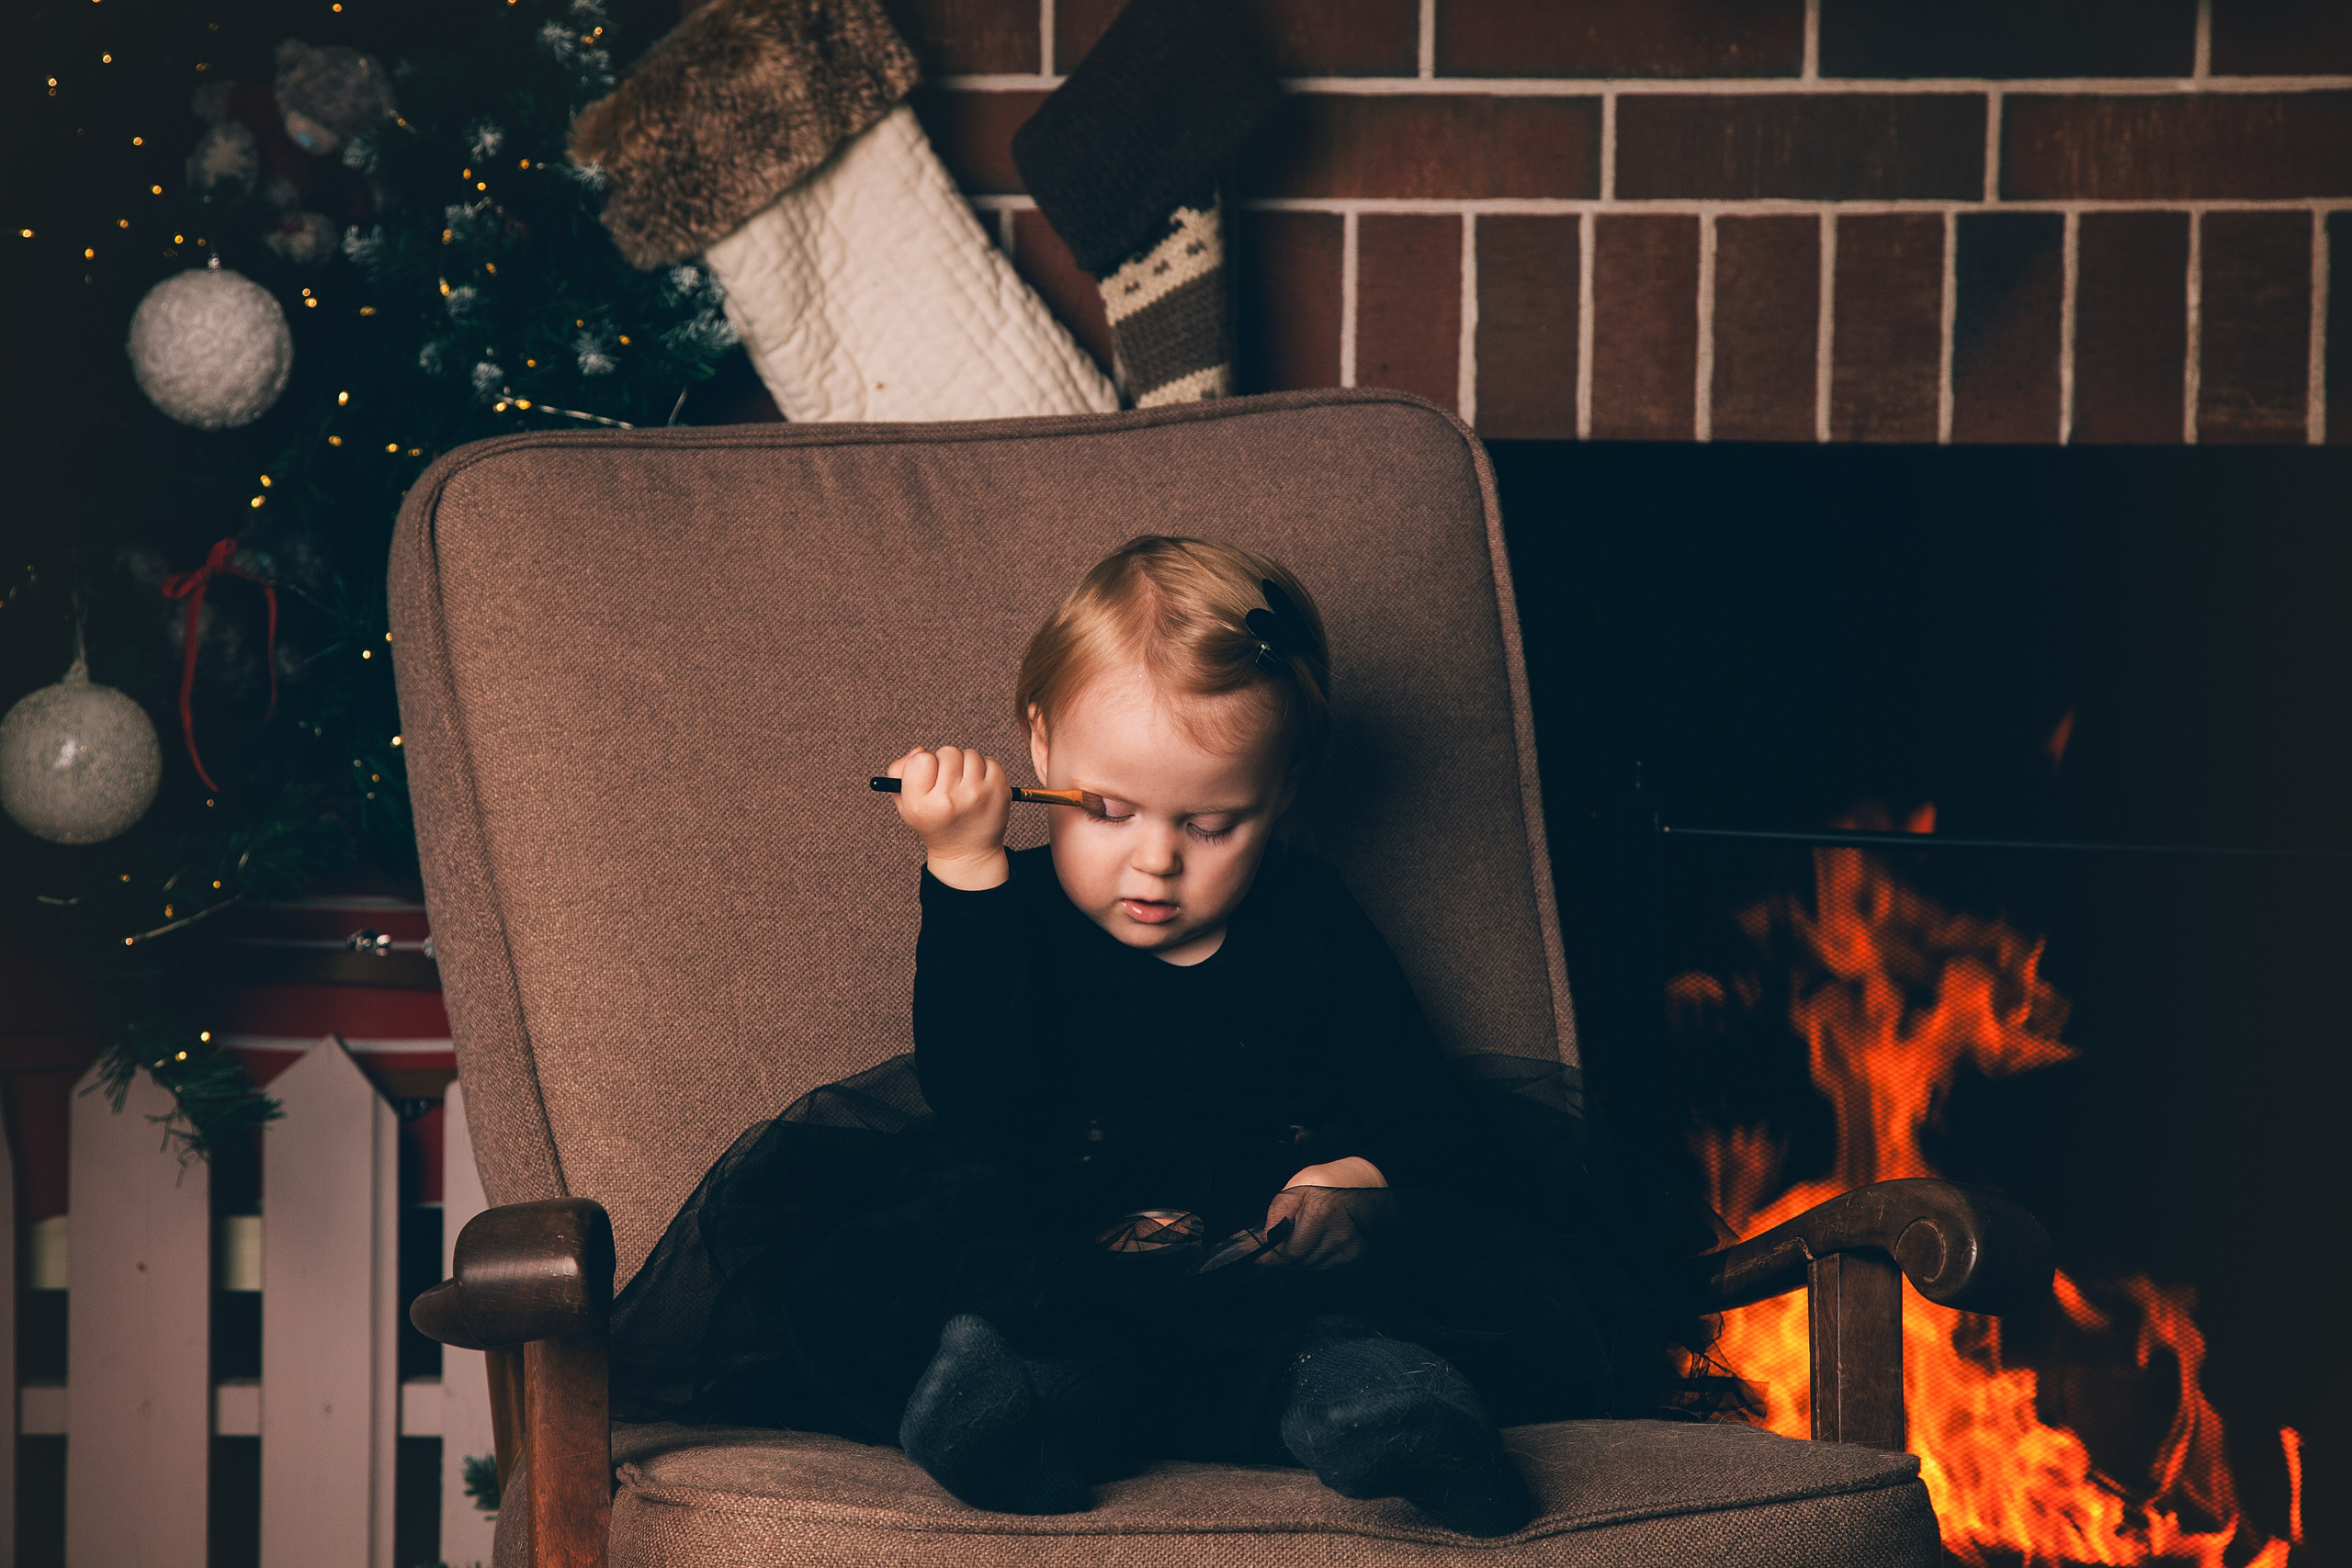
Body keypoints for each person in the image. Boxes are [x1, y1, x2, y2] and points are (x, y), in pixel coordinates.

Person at [610, 536, 1709, 1537]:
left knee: (1337, 1321)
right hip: (1059, 1229)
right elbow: (982, 1098)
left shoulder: (1311, 917)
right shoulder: (1011, 910)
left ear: (1282, 794)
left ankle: (1382, 1409)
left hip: (1271, 1260)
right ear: (1038, 744)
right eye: (1109, 810)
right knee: (1023, 1314)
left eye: (1211, 823)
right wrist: (964, 872)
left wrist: (1356, 1177)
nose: (1155, 861)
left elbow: (1418, 1105)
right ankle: (1011, 1417)